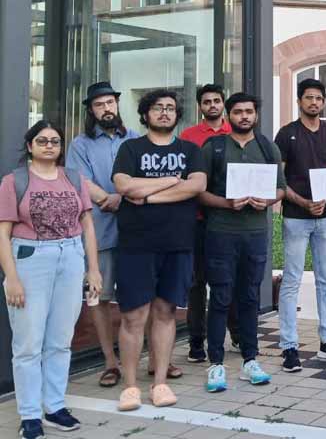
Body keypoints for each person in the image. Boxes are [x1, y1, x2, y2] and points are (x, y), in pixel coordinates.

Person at [0, 121, 102, 439]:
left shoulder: (73, 177)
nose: (49, 145)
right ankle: (30, 414)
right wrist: (11, 277)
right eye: (42, 140)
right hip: (30, 260)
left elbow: (87, 225)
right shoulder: (14, 181)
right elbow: (3, 233)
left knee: (60, 341)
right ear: (30, 146)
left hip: (70, 258)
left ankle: (54, 405)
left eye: (55, 141)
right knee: (28, 343)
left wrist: (93, 269)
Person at [112, 90, 206, 411]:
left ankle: (160, 383)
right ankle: (130, 386)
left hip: (177, 243)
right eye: (157, 108)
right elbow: (124, 186)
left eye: (170, 108)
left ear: (177, 115)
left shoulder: (190, 150)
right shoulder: (131, 148)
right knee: (133, 316)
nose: (164, 113)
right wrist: (170, 179)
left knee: (166, 313)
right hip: (136, 244)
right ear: (146, 114)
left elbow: (195, 186)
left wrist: (148, 194)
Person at [199, 93, 285, 392]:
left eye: (249, 111)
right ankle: (216, 364)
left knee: (250, 297)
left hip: (256, 233)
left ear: (255, 115)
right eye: (238, 112)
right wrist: (227, 202)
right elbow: (200, 192)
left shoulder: (267, 146)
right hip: (221, 232)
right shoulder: (215, 147)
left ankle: (250, 359)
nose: (244, 116)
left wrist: (268, 200)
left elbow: (281, 189)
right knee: (220, 297)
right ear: (229, 114)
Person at [274, 78, 326, 372]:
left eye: (319, 98)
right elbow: (279, 180)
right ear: (299, 101)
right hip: (296, 216)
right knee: (292, 281)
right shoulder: (286, 134)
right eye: (309, 98)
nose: (314, 103)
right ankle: (289, 346)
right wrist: (304, 202)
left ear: (324, 102)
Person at [67, 82, 139, 388]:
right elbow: (78, 179)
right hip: (99, 232)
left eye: (110, 102)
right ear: (91, 110)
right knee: (100, 299)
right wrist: (106, 199)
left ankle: (133, 360)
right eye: (100, 104)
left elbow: (144, 177)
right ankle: (109, 361)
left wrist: (121, 197)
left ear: (117, 105)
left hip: (136, 231)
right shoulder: (79, 145)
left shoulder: (135, 139)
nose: (107, 108)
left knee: (136, 298)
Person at [180, 83, 236, 364]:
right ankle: (196, 343)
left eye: (217, 100)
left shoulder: (236, 132)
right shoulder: (188, 136)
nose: (212, 105)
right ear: (200, 107)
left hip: (230, 220)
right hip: (198, 220)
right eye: (207, 101)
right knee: (197, 283)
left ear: (223, 104)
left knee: (229, 281)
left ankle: (236, 334)